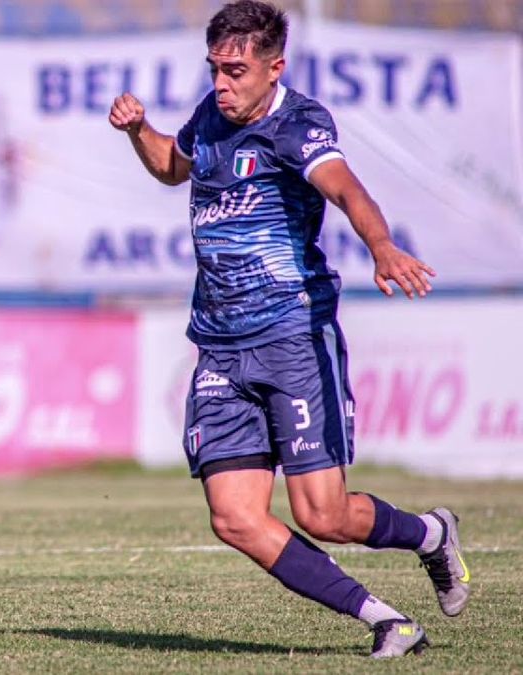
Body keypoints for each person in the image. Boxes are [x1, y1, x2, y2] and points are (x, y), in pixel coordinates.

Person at [108, 0, 468, 659]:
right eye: (215, 68)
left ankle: (429, 534)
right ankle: (388, 620)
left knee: (323, 515)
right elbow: (170, 165)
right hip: (219, 347)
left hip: (292, 339)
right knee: (235, 517)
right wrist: (139, 131)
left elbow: (348, 191)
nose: (222, 83)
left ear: (274, 68)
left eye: (236, 71)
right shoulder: (210, 117)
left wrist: (382, 246)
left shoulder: (298, 124)